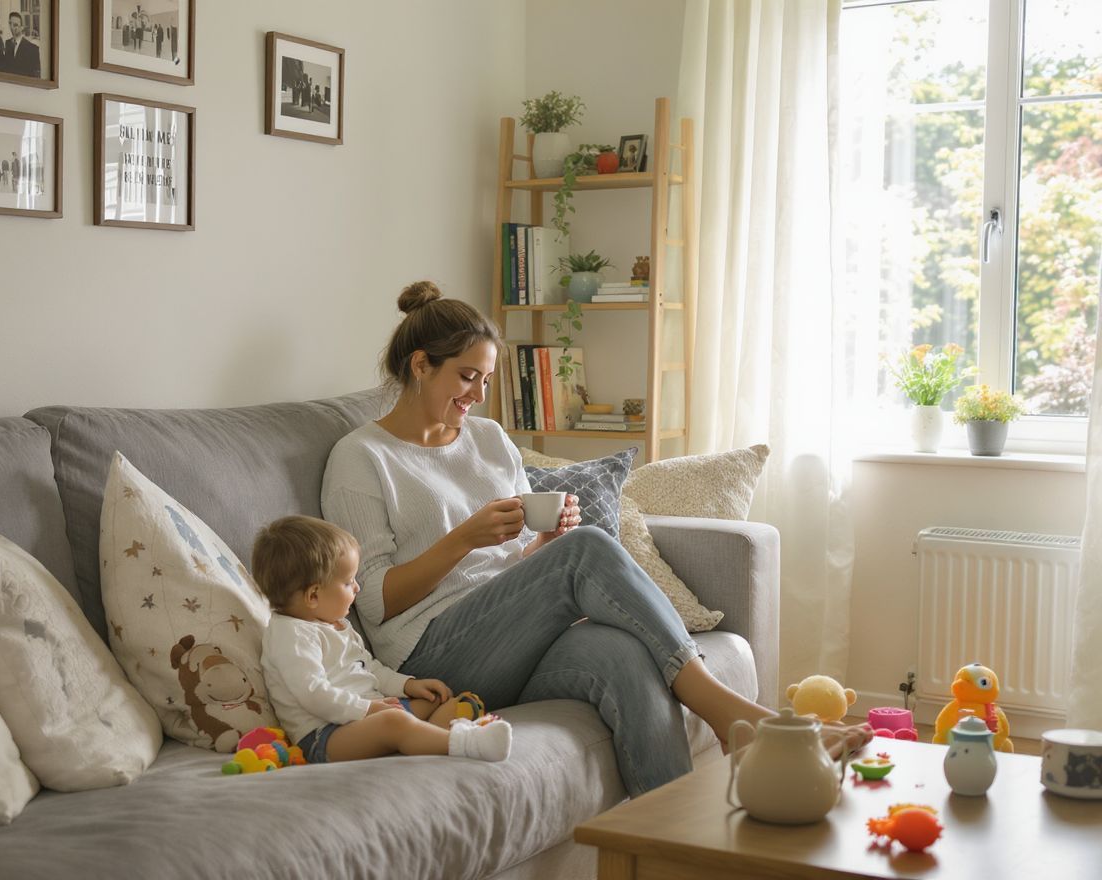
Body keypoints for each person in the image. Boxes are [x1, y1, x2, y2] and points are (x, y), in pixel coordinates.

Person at [321, 280, 871, 797]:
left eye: (486, 380)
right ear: (421, 365)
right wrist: (464, 539)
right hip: (431, 654)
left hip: (509, 636)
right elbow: (373, 602)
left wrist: (542, 547)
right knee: (584, 551)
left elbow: (512, 568)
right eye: (467, 377)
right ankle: (734, 714)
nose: (478, 395)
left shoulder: (488, 440)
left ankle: (668, 849)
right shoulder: (362, 458)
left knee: (623, 654)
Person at [254, 515, 513, 765]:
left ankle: (427, 735)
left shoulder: (336, 624)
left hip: (366, 715)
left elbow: (370, 668)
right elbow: (313, 695)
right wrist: (368, 709)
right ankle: (466, 743)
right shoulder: (291, 636)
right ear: (313, 596)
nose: (357, 587)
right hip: (326, 735)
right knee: (394, 723)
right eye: (348, 582)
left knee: (430, 700)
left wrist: (408, 686)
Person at [4, 12, 40, 78]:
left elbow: (35, 77)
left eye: (15, 25)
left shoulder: (33, 49)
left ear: (22, 27)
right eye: (10, 24)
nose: (11, 27)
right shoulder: (7, 43)